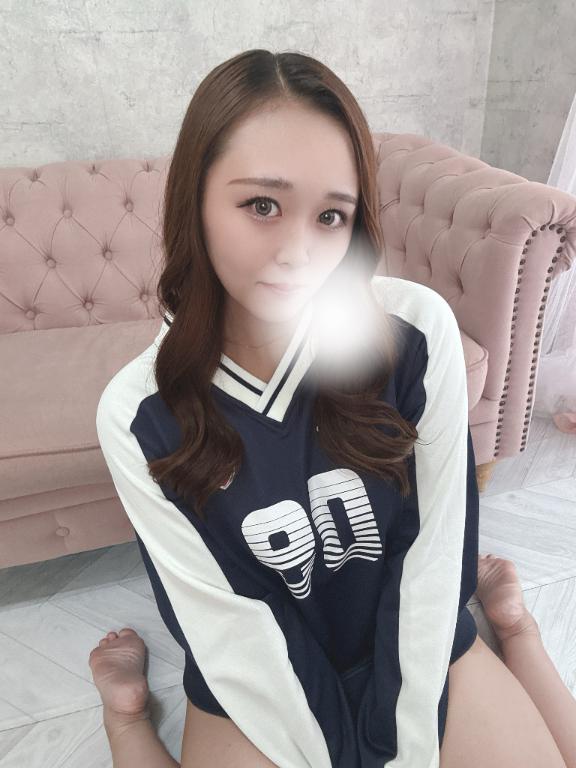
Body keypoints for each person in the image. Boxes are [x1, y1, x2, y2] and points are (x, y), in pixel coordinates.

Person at [90, 49, 576, 768]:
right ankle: (125, 715)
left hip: (412, 647)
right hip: (260, 681)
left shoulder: (415, 333)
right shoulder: (138, 413)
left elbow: (433, 553)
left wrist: (397, 743)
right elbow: (229, 627)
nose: (297, 252)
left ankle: (517, 627)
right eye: (262, 205)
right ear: (195, 201)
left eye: (330, 216)